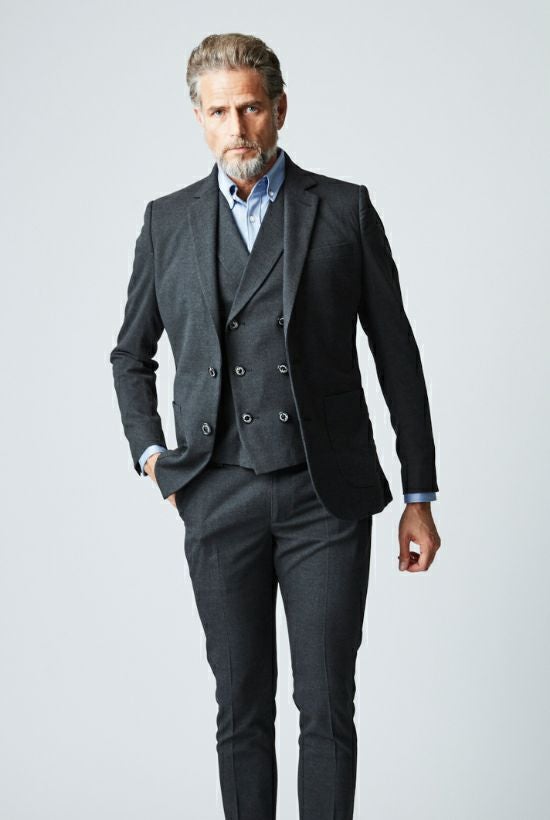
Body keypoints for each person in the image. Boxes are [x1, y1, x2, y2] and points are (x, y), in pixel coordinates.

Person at [110, 31, 442, 820]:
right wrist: (153, 457)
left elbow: (397, 355)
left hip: (324, 498)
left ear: (281, 109)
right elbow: (130, 355)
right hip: (216, 494)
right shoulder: (167, 221)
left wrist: (419, 494)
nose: (238, 128)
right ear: (198, 118)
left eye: (252, 108)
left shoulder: (344, 209)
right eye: (219, 111)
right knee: (240, 708)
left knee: (326, 704)